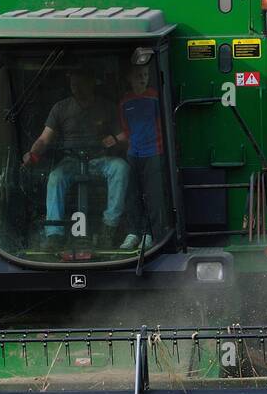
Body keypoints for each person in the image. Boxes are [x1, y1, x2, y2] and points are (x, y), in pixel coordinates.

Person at [22, 70, 128, 246]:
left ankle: (110, 226)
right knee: (55, 178)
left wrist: (115, 140)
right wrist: (32, 154)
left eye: (80, 83)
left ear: (92, 83)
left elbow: (123, 137)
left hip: (99, 159)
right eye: (73, 83)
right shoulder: (60, 108)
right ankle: (54, 233)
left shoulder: (106, 107)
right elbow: (44, 138)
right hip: (71, 161)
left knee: (121, 167)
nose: (76, 87)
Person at [115, 58, 167, 251]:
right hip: (133, 153)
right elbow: (126, 129)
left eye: (145, 75)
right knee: (132, 195)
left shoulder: (155, 98)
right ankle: (133, 232)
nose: (142, 79)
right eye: (138, 76)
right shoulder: (125, 102)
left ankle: (151, 233)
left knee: (153, 196)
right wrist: (115, 139)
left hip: (154, 152)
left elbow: (163, 125)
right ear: (129, 78)